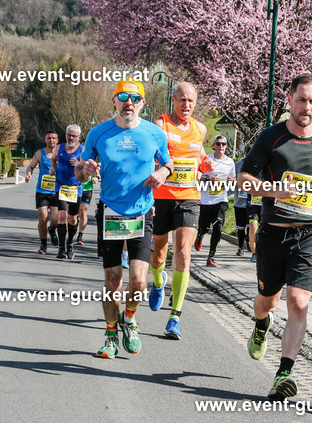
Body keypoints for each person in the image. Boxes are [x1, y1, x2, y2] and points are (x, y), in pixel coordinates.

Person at [238, 73, 312, 400]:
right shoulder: (270, 138)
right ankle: (261, 324)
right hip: (273, 233)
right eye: (301, 99)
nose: (306, 106)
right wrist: (272, 189)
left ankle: (283, 374)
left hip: (310, 232)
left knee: (298, 302)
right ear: (289, 100)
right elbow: (244, 178)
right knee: (266, 302)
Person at [74, 79, 171, 359]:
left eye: (135, 98)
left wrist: (163, 173)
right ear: (113, 102)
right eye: (123, 97)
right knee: (113, 279)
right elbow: (79, 171)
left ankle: (129, 319)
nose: (129, 102)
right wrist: (86, 169)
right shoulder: (98, 133)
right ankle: (109, 336)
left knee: (139, 281)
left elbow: (168, 163)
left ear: (143, 103)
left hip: (142, 213)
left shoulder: (154, 133)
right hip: (110, 213)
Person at [149, 82, 214, 339]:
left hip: (189, 196)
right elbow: (152, 154)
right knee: (158, 255)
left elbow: (199, 157)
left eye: (191, 101)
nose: (186, 105)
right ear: (173, 101)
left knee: (184, 253)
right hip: (161, 197)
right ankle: (157, 281)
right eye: (182, 100)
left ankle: (174, 317)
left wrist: (206, 164)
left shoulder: (200, 128)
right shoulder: (160, 125)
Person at [194, 135, 236, 266]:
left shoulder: (230, 162)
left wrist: (232, 181)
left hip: (221, 199)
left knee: (218, 227)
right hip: (205, 200)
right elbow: (196, 176)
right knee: (204, 228)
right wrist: (208, 179)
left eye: (223, 144)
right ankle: (200, 235)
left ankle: (211, 257)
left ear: (226, 146)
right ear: (213, 146)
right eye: (218, 144)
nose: (221, 146)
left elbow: (234, 179)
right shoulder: (207, 160)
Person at [51, 125, 84, 260]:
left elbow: (87, 168)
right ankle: (61, 247)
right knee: (62, 216)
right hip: (61, 186)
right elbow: (53, 159)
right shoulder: (59, 148)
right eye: (69, 135)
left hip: (75, 188)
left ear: (79, 137)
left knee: (73, 218)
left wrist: (78, 164)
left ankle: (70, 242)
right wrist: (53, 169)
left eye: (74, 136)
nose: (71, 138)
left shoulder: (83, 150)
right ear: (65, 135)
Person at [24, 130, 60, 254]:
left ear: (57, 140)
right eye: (49, 138)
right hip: (42, 190)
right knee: (43, 217)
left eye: (53, 138)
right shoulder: (40, 153)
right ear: (45, 140)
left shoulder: (61, 154)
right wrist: (28, 175)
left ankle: (52, 229)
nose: (51, 140)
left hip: (56, 191)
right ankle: (43, 245)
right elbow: (30, 166)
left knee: (56, 218)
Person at [77, 174, 96, 246]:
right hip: (74, 188)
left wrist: (96, 176)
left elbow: (97, 168)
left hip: (87, 189)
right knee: (74, 214)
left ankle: (80, 236)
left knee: (83, 211)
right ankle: (74, 223)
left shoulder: (92, 162)